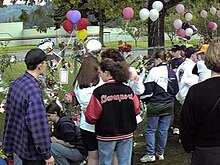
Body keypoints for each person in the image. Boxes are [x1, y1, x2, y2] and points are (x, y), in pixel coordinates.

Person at [2, 48, 54, 165]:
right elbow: (37, 125)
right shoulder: (33, 91)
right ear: (40, 66)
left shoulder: (17, 83)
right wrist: (47, 154)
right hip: (32, 152)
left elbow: (9, 114)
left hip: (18, 144)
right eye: (45, 63)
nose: (46, 65)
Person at [85, 59, 140, 165]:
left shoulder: (99, 92)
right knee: (125, 161)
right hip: (126, 132)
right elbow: (136, 109)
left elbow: (92, 116)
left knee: (105, 161)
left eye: (100, 73)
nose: (99, 76)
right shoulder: (128, 90)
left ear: (107, 73)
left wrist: (86, 115)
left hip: (106, 134)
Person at [180, 37, 220, 165]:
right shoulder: (196, 91)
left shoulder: (196, 92)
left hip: (205, 153)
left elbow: (186, 126)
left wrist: (190, 146)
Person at [140, 51, 179, 163]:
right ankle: (160, 153)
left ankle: (150, 153)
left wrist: (145, 100)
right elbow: (176, 89)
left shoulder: (153, 71)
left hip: (155, 103)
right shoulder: (171, 72)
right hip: (168, 104)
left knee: (150, 129)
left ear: (158, 59)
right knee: (163, 130)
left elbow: (147, 91)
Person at [73, 56, 103, 165]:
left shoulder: (78, 83)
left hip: (85, 123)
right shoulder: (100, 82)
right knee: (105, 153)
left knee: (92, 156)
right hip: (100, 122)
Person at [46, 101, 87, 165]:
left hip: (79, 151)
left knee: (52, 147)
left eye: (49, 116)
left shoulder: (64, 124)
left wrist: (57, 141)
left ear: (55, 113)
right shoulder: (58, 122)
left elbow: (71, 144)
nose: (48, 118)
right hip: (77, 150)